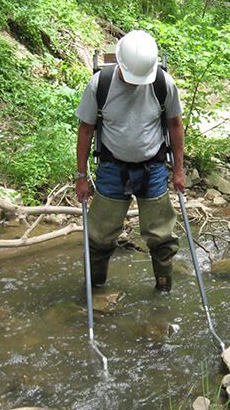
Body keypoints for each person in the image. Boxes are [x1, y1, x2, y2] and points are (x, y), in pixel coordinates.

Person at [74, 30, 186, 292]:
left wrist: (178, 170)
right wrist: (81, 177)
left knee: (162, 238)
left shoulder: (162, 82)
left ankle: (163, 291)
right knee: (100, 236)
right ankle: (96, 289)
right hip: (112, 168)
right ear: (120, 65)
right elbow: (86, 130)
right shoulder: (100, 84)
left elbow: (175, 125)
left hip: (153, 168)